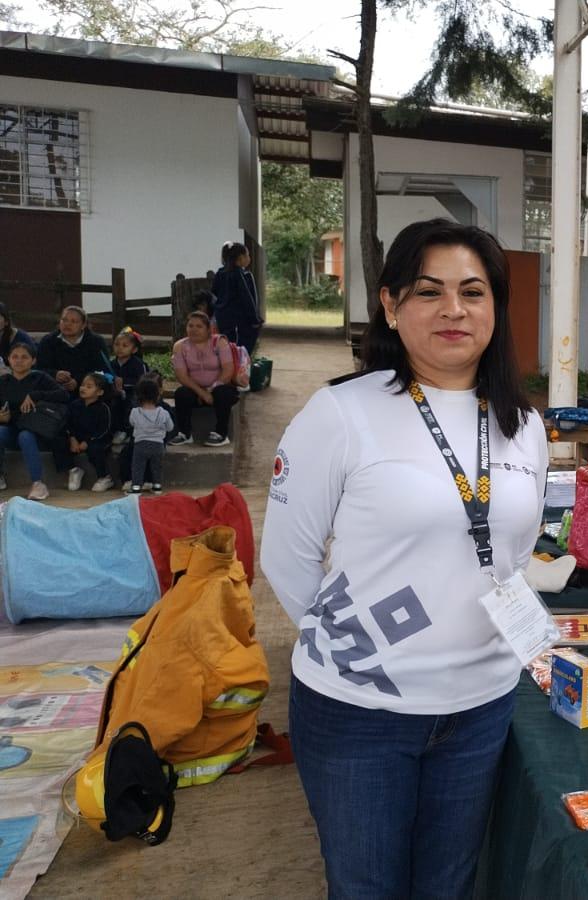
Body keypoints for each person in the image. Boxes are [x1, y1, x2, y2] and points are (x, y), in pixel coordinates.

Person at [261, 218, 546, 899]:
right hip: (360, 714)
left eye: (473, 292)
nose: (454, 309)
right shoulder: (342, 413)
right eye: (429, 291)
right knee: (366, 889)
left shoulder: (522, 424)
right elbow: (286, 557)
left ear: (496, 308)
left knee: (447, 887)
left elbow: (512, 555)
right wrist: (358, 655)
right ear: (390, 305)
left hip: (481, 707)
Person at [0, 342, 71, 500]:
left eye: (24, 357)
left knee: (25, 436)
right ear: (8, 360)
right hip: (11, 430)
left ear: (33, 360)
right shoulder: (4, 381)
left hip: (36, 432)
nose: (19, 361)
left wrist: (36, 395)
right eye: (15, 357)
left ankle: (38, 483)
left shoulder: (41, 378)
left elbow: (64, 396)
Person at [170, 311, 239, 447]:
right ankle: (185, 433)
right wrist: (201, 393)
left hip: (219, 388)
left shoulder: (219, 342)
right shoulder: (179, 346)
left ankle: (221, 433)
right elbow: (182, 376)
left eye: (199, 326)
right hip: (196, 391)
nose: (194, 329)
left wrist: (210, 390)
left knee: (223, 393)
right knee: (181, 393)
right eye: (190, 326)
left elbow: (228, 371)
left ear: (209, 329)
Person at [55, 371, 116, 492]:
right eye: (83, 385)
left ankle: (104, 477)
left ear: (100, 392)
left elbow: (104, 430)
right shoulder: (74, 405)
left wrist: (88, 442)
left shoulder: (103, 408)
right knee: (58, 441)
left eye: (89, 386)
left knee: (96, 449)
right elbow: (68, 424)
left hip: (97, 439)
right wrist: (72, 438)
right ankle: (73, 470)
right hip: (77, 439)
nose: (83, 388)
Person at [35, 306, 111, 394]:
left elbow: (102, 371)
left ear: (83, 325)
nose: (67, 324)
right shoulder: (48, 341)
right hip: (54, 390)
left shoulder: (96, 342)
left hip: (88, 392)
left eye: (73, 321)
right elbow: (39, 369)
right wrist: (55, 374)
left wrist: (79, 381)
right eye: (64, 320)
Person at [212, 243, 262, 354]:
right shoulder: (239, 274)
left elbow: (214, 291)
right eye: (247, 255)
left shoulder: (220, 273)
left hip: (222, 317)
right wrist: (254, 319)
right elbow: (247, 297)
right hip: (238, 319)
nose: (249, 258)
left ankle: (227, 366)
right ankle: (238, 368)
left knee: (226, 346)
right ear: (240, 258)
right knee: (239, 349)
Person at [126, 376, 172, 494]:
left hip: (140, 444)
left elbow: (131, 423)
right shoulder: (163, 412)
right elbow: (170, 427)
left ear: (138, 396)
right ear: (158, 395)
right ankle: (157, 486)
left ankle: (136, 487)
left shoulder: (135, 412)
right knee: (157, 466)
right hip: (158, 445)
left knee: (138, 466)